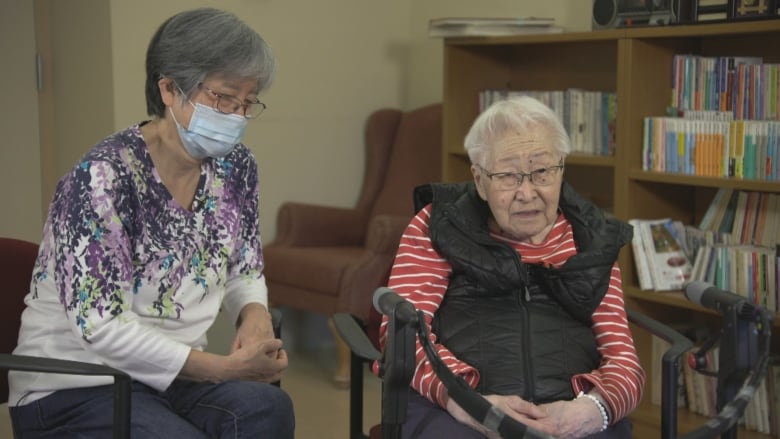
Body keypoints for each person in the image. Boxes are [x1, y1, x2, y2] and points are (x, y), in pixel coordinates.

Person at [8, 8, 294, 438]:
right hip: (75, 385)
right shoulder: (102, 178)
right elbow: (99, 325)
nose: (235, 115)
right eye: (222, 97)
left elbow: (245, 266)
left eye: (247, 102)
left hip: (173, 378)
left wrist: (253, 314)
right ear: (169, 89)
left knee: (266, 410)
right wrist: (221, 368)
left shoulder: (236, 168)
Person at [377, 96, 645, 439]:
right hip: (457, 406)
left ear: (561, 170)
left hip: (570, 410)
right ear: (479, 180)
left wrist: (595, 409)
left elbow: (623, 358)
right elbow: (402, 336)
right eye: (508, 176)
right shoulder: (435, 226)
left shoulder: (591, 239)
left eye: (542, 172)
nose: (527, 192)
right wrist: (466, 401)